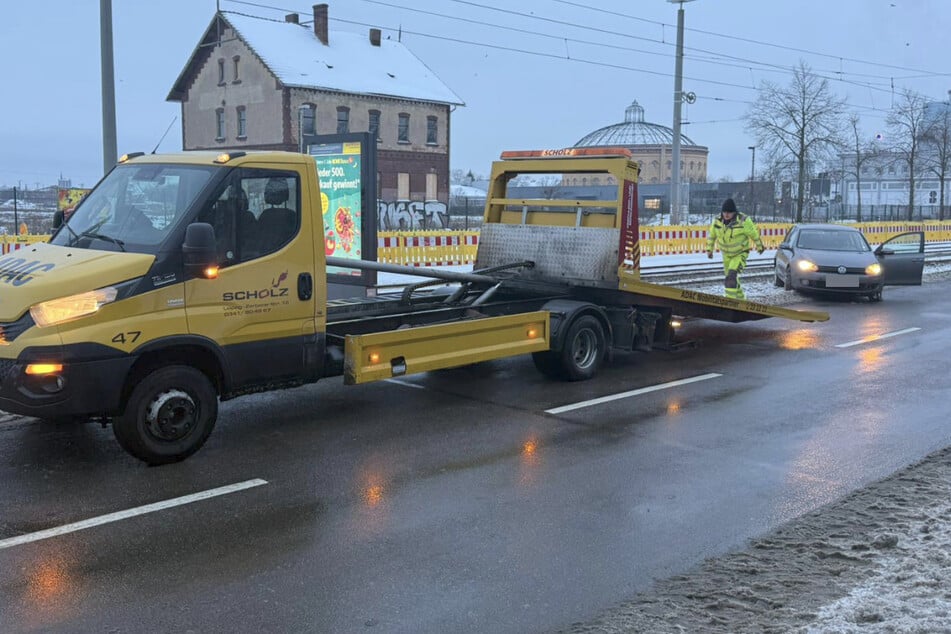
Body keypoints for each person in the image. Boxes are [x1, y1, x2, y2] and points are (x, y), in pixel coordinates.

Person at [705, 198, 764, 300]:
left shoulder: (743, 221)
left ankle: (730, 301)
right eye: (725, 212)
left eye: (730, 212)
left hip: (740, 253)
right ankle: (741, 299)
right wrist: (709, 249)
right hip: (726, 255)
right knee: (731, 278)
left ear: (734, 212)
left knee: (731, 277)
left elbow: (753, 234)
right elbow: (712, 236)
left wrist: (759, 246)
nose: (727, 214)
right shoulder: (717, 221)